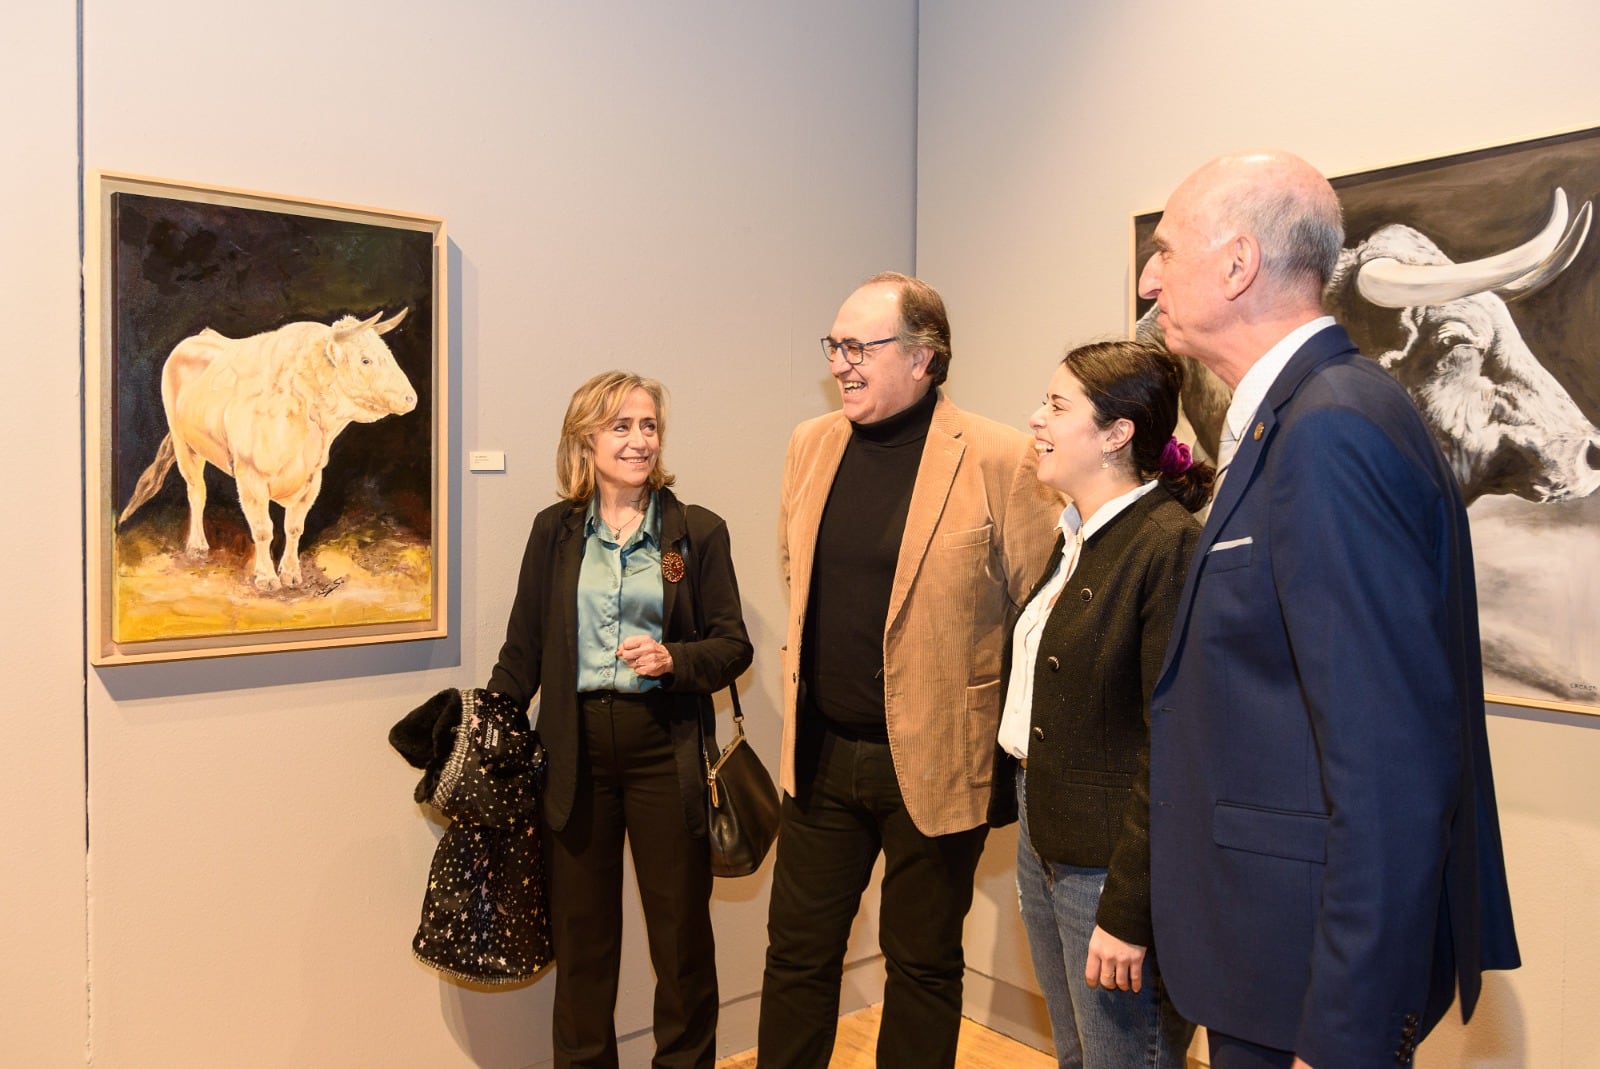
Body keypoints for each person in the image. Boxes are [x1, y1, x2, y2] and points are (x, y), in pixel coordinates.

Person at [1138, 152, 1520, 1069]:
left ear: (1236, 265)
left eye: (1164, 250)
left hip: (1303, 989)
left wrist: (1345, 1032)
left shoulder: (1331, 429)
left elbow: (1389, 764)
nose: (1148, 278)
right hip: (1265, 962)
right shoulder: (1299, 417)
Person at [757, 272, 1061, 1069]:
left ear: (924, 357)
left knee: (923, 965)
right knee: (796, 957)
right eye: (835, 346)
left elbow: (1037, 609)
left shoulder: (1002, 456)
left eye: (860, 346)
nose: (842, 363)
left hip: (934, 761)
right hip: (820, 757)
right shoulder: (809, 444)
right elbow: (797, 569)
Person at [487, 370, 753, 1069]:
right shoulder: (555, 532)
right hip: (574, 760)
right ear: (587, 438)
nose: (638, 440)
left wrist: (674, 659)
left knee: (682, 945)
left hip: (663, 755)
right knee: (582, 951)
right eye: (621, 426)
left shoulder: (696, 531)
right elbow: (523, 648)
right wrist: (487, 727)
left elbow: (732, 643)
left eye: (648, 426)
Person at [990, 340, 1210, 1068]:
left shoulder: (1166, 546)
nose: (1035, 419)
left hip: (1109, 869)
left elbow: (1174, 744)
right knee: (1079, 1057)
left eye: (1056, 406)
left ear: (1118, 432)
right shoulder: (1076, 535)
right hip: (1044, 839)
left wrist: (1129, 908)